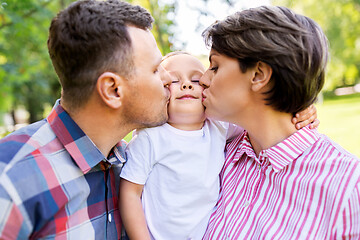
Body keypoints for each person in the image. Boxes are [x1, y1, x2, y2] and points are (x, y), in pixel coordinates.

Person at [0, 0, 171, 239]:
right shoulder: (10, 179)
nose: (169, 78)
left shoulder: (135, 166)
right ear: (112, 90)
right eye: (156, 70)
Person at [119, 51, 319, 240]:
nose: (187, 85)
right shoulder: (150, 138)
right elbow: (130, 194)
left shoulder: (218, 127)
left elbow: (260, 121)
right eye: (174, 81)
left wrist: (296, 110)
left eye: (196, 80)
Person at [199, 6, 360, 239]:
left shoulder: (348, 188)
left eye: (215, 67)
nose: (204, 79)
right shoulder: (216, 151)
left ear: (258, 75)